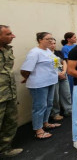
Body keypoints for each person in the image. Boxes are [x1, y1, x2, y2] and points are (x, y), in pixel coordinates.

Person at [20, 32, 60, 139]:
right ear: (40, 40)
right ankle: (38, 130)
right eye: (48, 39)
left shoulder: (47, 51)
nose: (51, 41)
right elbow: (25, 69)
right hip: (39, 84)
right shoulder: (34, 52)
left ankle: (45, 123)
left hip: (50, 81)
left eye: (51, 38)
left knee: (49, 104)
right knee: (40, 106)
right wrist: (27, 77)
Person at [0, 25, 22, 157]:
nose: (13, 36)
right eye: (8, 34)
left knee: (10, 122)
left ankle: (5, 150)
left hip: (10, 93)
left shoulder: (8, 50)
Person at [49, 39, 71, 122]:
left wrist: (64, 72)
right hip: (53, 76)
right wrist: (58, 73)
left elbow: (64, 62)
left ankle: (68, 110)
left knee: (66, 93)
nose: (53, 45)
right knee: (55, 96)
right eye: (51, 43)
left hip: (62, 74)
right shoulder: (45, 54)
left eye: (54, 43)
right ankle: (56, 113)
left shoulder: (58, 52)